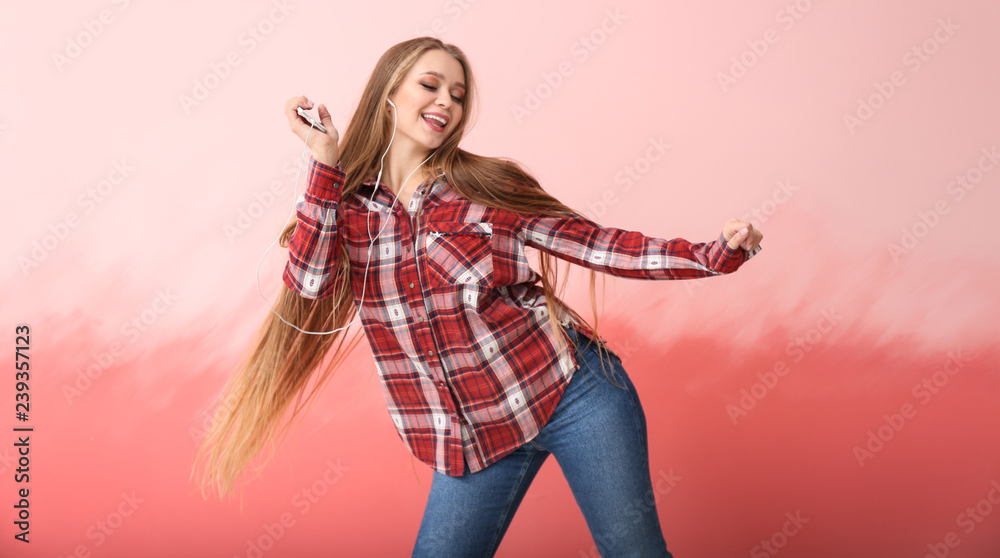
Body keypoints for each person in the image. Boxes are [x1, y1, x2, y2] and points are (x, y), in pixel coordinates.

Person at [193, 37, 763, 557]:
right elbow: (309, 284)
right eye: (431, 84)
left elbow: (601, 247)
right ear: (388, 92)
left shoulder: (485, 189)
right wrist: (323, 161)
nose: (447, 101)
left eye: (458, 95)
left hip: (576, 396)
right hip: (472, 435)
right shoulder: (344, 211)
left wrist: (716, 254)